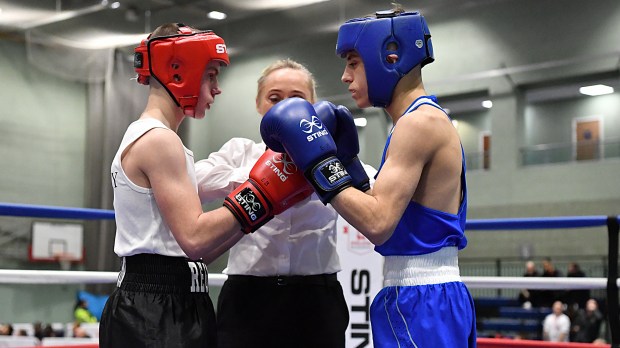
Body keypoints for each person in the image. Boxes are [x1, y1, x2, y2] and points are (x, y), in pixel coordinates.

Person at [259, 5, 476, 347]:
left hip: (420, 298)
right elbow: (394, 213)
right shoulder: (419, 121)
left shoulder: (418, 124)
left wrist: (316, 163)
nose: (345, 77)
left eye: (353, 62)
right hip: (423, 296)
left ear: (390, 56)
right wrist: (349, 167)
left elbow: (377, 223)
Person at [99, 23, 310, 348]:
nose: (217, 88)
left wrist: (267, 205)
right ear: (179, 71)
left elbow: (199, 251)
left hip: (171, 297)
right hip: (155, 308)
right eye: (211, 74)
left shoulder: (156, 137)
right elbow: (196, 238)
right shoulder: (159, 140)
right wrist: (265, 192)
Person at [194, 58, 376, 348]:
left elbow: (374, 193)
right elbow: (195, 180)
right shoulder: (241, 152)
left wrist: (334, 166)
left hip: (317, 297)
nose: (284, 106)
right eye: (274, 98)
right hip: (248, 298)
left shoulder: (329, 158)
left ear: (312, 105)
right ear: (258, 104)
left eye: (296, 99)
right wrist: (265, 175)